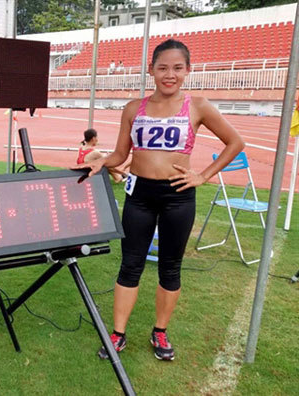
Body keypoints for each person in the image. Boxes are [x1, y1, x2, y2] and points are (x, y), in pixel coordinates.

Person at [72, 39, 244, 361]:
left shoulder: (198, 106)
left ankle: (160, 331)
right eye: (163, 67)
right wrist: (102, 161)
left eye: (178, 68)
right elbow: (121, 154)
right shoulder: (133, 108)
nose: (170, 75)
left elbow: (235, 142)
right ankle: (118, 334)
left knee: (170, 268)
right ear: (150, 70)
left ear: (188, 71)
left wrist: (203, 175)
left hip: (177, 196)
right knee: (130, 265)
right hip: (139, 195)